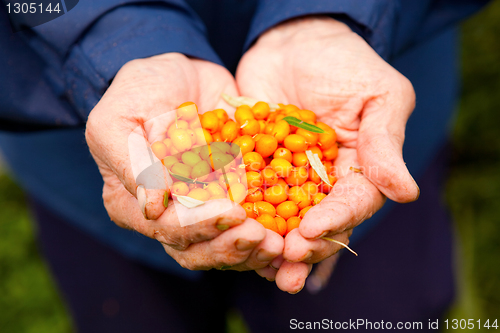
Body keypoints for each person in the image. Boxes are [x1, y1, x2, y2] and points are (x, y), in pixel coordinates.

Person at [0, 0, 490, 332]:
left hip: (360, 111)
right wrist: (113, 34)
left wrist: (330, 12)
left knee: (378, 310)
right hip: (82, 143)